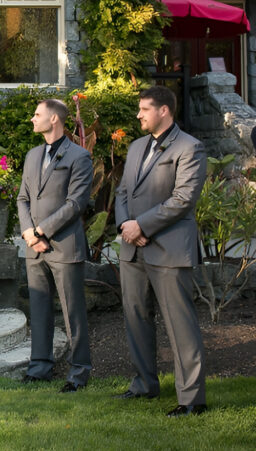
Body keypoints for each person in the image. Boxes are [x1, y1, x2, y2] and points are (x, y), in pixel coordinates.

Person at [114, 85, 208, 417]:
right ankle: (144, 385)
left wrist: (143, 226)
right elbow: (122, 191)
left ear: (163, 111)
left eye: (144, 109)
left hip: (169, 250)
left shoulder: (190, 148)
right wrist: (126, 224)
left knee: (180, 324)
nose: (138, 114)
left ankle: (191, 399)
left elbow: (183, 200)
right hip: (132, 248)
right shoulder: (137, 146)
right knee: (136, 318)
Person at [17, 99, 93, 392]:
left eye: (37, 115)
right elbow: (23, 198)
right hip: (33, 247)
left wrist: (42, 230)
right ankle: (39, 368)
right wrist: (28, 232)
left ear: (54, 120)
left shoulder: (79, 157)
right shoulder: (32, 155)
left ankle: (79, 373)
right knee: (38, 309)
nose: (32, 119)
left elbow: (76, 203)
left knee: (73, 312)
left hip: (63, 246)